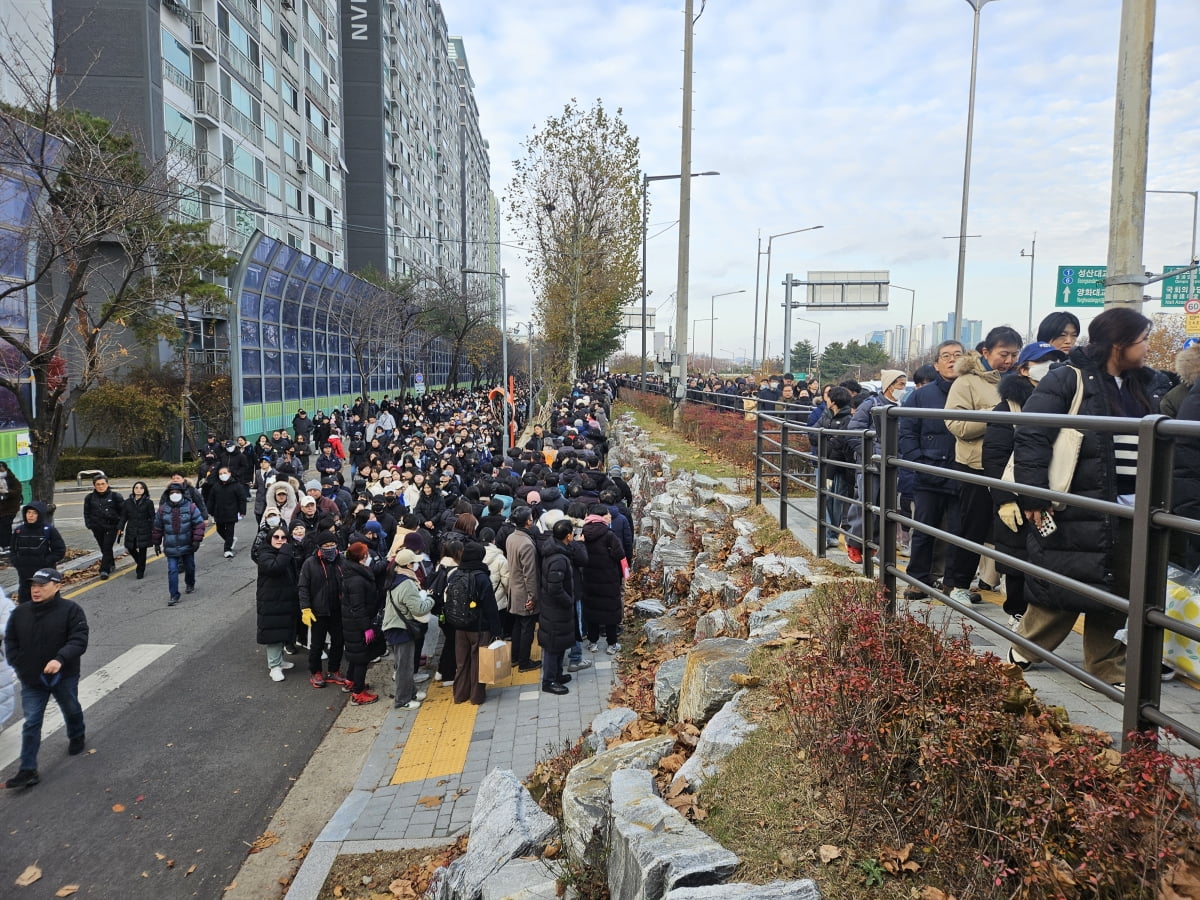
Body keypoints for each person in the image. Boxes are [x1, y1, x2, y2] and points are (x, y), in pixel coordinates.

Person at [1011, 307, 1163, 688]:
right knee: (1065, 581)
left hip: (1132, 502)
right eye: (1143, 340)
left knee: (1119, 586)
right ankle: (1026, 647)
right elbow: (1032, 435)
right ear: (1120, 343)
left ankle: (1106, 662)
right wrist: (1033, 496)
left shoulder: (1143, 384)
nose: (1147, 348)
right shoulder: (1068, 378)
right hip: (1078, 501)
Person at [982, 342, 1067, 625]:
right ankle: (1017, 612)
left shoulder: (1067, 401)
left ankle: (1042, 618)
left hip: (1055, 491)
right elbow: (994, 457)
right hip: (1017, 494)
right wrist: (1004, 499)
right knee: (1019, 558)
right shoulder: (1007, 408)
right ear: (1024, 368)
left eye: (1056, 361)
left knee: (1048, 559)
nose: (1050, 366)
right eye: (1043, 361)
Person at [943, 326, 1023, 605]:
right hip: (975, 465)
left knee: (1009, 528)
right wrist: (994, 417)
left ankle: (1006, 587)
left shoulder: (1018, 380)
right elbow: (955, 424)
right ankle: (957, 583)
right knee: (971, 526)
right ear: (986, 352)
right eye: (1004, 354)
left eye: (1014, 355)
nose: (1009, 360)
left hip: (1009, 466)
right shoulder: (966, 383)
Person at [3, 569, 88, 789]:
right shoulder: (20, 613)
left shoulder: (71, 610)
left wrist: (60, 659)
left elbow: (79, 640)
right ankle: (28, 770)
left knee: (70, 707)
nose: (36, 590)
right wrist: (18, 664)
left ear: (58, 586)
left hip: (64, 676)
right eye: (33, 586)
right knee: (31, 722)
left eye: (41, 585)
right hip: (32, 679)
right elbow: (10, 641)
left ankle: (77, 734)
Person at [898, 341, 964, 602]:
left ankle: (954, 583)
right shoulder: (922, 396)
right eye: (946, 356)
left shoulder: (972, 393)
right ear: (936, 364)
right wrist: (918, 462)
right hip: (928, 473)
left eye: (957, 355)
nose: (951, 360)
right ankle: (917, 580)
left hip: (963, 473)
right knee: (924, 530)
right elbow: (907, 432)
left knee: (960, 532)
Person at [448, 542, 501, 705]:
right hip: (479, 627)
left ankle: (459, 695)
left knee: (462, 662)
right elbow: (490, 606)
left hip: (459, 626)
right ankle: (476, 697)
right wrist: (496, 629)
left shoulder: (455, 574)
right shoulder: (482, 576)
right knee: (478, 662)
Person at [382, 548, 432, 709]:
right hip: (401, 629)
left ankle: (412, 693)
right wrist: (430, 600)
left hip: (395, 626)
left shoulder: (395, 577)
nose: (417, 564)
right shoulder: (406, 583)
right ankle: (402, 700)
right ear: (409, 565)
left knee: (405, 664)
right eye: (415, 562)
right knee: (405, 667)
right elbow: (418, 609)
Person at [299, 533, 349, 689]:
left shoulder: (342, 561)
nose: (330, 549)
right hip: (318, 612)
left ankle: (334, 669)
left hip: (338, 610)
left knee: (338, 641)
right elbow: (303, 587)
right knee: (317, 644)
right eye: (326, 546)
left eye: (332, 545)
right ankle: (316, 672)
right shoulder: (310, 563)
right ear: (319, 547)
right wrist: (305, 608)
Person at [539, 519, 579, 695]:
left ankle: (557, 674)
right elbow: (555, 587)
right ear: (568, 535)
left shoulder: (557, 551)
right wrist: (568, 601)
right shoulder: (558, 559)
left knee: (559, 644)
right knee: (553, 646)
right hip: (555, 609)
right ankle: (549, 681)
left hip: (556, 608)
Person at [581, 503, 625, 654]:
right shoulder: (609, 534)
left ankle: (592, 643)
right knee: (610, 612)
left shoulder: (583, 533)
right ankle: (611, 644)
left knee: (592, 610)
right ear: (601, 516)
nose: (609, 516)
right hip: (608, 578)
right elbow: (619, 554)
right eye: (607, 513)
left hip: (589, 578)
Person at [152, 484, 206, 606]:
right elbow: (157, 527)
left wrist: (196, 540)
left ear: (182, 493)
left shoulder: (190, 507)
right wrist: (156, 543)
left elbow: (199, 524)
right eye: (171, 493)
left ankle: (190, 583)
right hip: (171, 546)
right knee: (172, 570)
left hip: (188, 544)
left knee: (190, 567)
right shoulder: (162, 509)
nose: (174, 495)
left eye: (177, 492)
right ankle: (174, 594)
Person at [255, 528, 298, 682]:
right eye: (276, 537)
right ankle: (274, 666)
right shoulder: (265, 554)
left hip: (285, 599)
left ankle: (279, 661)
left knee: (282, 632)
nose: (280, 540)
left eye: (284, 537)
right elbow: (276, 567)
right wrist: (286, 550)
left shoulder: (284, 553)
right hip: (271, 601)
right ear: (270, 539)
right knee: (274, 634)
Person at [340, 542, 380, 705]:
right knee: (361, 658)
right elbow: (358, 606)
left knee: (355, 655)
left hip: (352, 623)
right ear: (362, 557)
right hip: (357, 625)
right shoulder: (356, 579)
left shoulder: (351, 572)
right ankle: (358, 693)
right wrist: (367, 627)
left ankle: (351, 681)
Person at [506, 506, 541, 672]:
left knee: (517, 626)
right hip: (524, 591)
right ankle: (524, 662)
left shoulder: (511, 537)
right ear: (528, 521)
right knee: (527, 627)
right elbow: (530, 574)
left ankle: (514, 657)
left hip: (514, 588)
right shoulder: (527, 544)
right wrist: (532, 596)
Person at [11, 503, 66, 604]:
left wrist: (46, 562)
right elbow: (13, 550)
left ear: (40, 515)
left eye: (34, 513)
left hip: (44, 576)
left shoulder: (49, 530)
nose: (30, 515)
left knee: (50, 604)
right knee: (25, 607)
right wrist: (17, 562)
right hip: (25, 577)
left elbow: (60, 550)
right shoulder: (19, 530)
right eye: (28, 512)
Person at [83, 474, 123, 579]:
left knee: (107, 547)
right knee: (103, 548)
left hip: (112, 527)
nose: (101, 486)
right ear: (94, 486)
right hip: (97, 527)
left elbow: (123, 513)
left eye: (103, 484)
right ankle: (111, 563)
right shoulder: (89, 498)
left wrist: (120, 527)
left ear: (107, 484)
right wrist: (89, 524)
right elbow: (86, 512)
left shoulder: (115, 496)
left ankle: (104, 569)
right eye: (98, 484)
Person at [204, 466, 248, 558]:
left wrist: (242, 511)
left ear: (229, 473)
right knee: (219, 529)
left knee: (229, 530)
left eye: (224, 473)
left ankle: (227, 549)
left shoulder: (236, 485)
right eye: (220, 474)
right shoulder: (216, 486)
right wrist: (210, 510)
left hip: (231, 511)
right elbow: (211, 499)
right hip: (219, 512)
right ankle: (230, 540)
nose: (222, 475)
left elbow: (242, 499)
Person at [117, 481, 156, 579]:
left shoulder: (148, 502)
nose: (138, 490)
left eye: (141, 488)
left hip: (144, 529)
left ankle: (140, 571)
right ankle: (140, 562)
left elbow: (152, 517)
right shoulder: (127, 502)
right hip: (131, 529)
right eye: (136, 488)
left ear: (144, 490)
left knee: (143, 550)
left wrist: (154, 529)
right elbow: (123, 517)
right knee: (130, 547)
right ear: (133, 489)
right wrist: (120, 528)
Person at [0, 461, 23, 557]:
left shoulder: (11, 479)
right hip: (1, 509)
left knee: (5, 526)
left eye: (1, 467)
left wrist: (6, 492)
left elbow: (17, 491)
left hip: (10, 508)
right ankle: (3, 545)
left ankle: (7, 545)